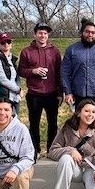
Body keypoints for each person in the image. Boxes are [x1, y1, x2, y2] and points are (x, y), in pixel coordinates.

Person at [48, 99, 95, 189]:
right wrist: (70, 150)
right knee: (65, 159)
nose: (90, 114)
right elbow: (52, 151)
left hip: (90, 168)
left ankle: (87, 186)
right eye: (87, 111)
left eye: (94, 112)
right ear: (79, 112)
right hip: (74, 169)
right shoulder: (67, 128)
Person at [18, 22, 62, 159]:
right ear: (35, 34)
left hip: (51, 93)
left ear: (48, 35)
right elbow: (21, 70)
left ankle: (51, 149)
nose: (42, 35)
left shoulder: (54, 51)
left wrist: (60, 93)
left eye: (45, 33)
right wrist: (34, 71)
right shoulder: (26, 51)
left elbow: (59, 72)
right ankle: (35, 150)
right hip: (34, 94)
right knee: (34, 124)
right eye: (40, 33)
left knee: (53, 124)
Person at [61, 18, 95, 107]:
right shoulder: (71, 50)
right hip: (77, 94)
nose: (90, 34)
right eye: (87, 32)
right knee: (79, 120)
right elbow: (65, 73)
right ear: (82, 32)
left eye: (93, 32)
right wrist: (68, 92)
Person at [0, 32, 22, 114]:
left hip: (15, 96)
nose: (6, 44)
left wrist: (18, 89)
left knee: (15, 121)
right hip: (5, 95)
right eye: (3, 42)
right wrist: (18, 89)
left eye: (8, 42)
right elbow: (2, 79)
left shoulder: (12, 58)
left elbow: (16, 77)